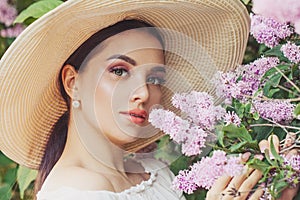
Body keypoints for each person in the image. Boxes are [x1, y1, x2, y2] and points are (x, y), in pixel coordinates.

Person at [0, 0, 281, 199]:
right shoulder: (74, 192)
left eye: (156, 79)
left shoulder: (152, 172)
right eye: (119, 71)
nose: (144, 93)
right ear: (73, 83)